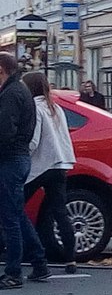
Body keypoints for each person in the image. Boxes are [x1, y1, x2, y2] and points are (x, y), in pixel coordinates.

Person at [0, 52, 50, 289]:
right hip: (18, 159)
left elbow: (5, 133)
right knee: (16, 214)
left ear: (1, 70)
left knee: (10, 219)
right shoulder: (18, 90)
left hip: (9, 161)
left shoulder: (11, 94)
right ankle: (39, 263)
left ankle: (13, 273)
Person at [22, 72, 78, 275]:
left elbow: (33, 141)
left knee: (15, 207)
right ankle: (71, 259)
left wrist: (20, 151)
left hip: (42, 165)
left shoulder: (35, 108)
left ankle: (32, 251)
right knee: (60, 212)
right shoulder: (56, 108)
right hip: (61, 164)